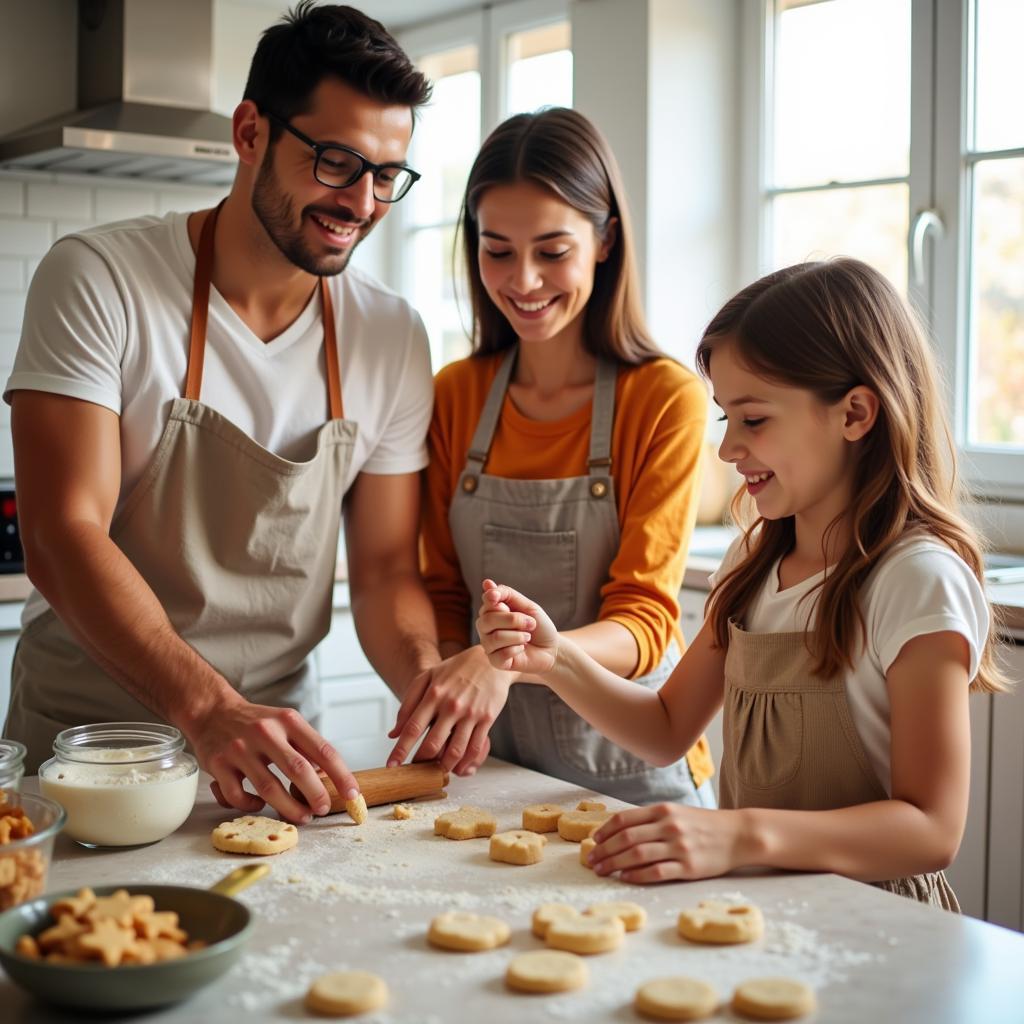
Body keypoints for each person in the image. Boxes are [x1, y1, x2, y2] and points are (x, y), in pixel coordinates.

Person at [3, 3, 443, 823]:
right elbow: (63, 537)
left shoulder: (391, 335)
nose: (363, 202)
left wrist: (425, 678)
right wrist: (207, 711)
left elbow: (384, 570)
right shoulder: (100, 279)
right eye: (338, 162)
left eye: (387, 175)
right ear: (251, 134)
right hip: (86, 760)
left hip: (278, 771)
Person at [476, 257, 1007, 909]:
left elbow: (931, 829)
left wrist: (738, 834)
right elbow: (667, 726)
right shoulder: (753, 567)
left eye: (753, 420)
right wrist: (556, 659)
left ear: (856, 413)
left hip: (884, 917)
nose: (727, 449)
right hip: (761, 906)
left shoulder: (917, 581)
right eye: (725, 418)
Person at [387, 107, 715, 807]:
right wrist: (453, 680)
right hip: (496, 769)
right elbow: (442, 590)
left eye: (552, 250)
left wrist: (505, 660)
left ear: (604, 241)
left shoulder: (664, 399)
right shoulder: (455, 395)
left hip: (633, 773)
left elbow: (645, 624)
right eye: (497, 249)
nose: (525, 281)